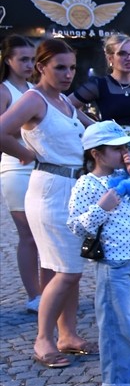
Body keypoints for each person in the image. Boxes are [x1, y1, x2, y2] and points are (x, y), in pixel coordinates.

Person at [0, 38, 95, 368]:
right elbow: (1, 130)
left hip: (74, 189)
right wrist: (27, 154)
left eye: (72, 67)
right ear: (41, 67)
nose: (68, 74)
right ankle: (43, 340)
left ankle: (67, 334)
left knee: (69, 268)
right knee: (67, 270)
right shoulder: (33, 99)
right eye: (60, 67)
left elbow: (96, 133)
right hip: (50, 191)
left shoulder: (66, 103)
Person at [67, 121, 130, 386]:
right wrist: (101, 208)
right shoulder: (87, 184)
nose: (124, 153)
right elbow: (75, 225)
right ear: (96, 154)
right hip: (112, 262)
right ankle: (118, 383)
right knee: (116, 323)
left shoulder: (127, 177)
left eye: (126, 147)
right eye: (117, 148)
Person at [70, 33, 130, 298]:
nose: (128, 58)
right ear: (110, 57)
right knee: (117, 213)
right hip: (110, 155)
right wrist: (97, 128)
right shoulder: (100, 84)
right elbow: (69, 105)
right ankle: (118, 272)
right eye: (122, 53)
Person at [0, 35, 44, 313]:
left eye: (32, 59)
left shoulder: (33, 89)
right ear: (8, 61)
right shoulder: (4, 91)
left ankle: (49, 289)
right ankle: (33, 295)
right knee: (27, 234)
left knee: (45, 232)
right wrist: (25, 147)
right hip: (16, 166)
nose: (29, 64)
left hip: (39, 165)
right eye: (23, 59)